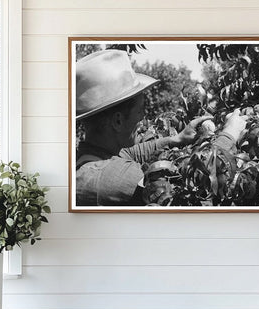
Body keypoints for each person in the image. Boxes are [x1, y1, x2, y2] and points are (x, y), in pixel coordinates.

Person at [75, 49, 247, 206]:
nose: (143, 117)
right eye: (140, 111)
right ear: (118, 121)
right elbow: (192, 182)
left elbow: (131, 152)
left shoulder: (91, 158)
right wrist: (230, 134)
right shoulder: (116, 179)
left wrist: (177, 139)